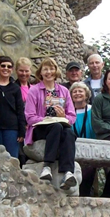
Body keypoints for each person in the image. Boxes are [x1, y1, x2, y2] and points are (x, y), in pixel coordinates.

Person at [25, 57, 77, 190]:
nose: (49, 72)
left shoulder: (64, 91)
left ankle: (68, 172)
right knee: (55, 126)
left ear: (56, 71)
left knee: (69, 133)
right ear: (40, 73)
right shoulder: (34, 90)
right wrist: (45, 120)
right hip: (40, 128)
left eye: (51, 68)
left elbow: (72, 116)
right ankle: (47, 167)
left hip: (60, 126)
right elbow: (29, 117)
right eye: (45, 69)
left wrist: (63, 116)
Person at [0, 57, 26, 158]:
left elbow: (20, 110)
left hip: (11, 129)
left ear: (12, 70)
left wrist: (21, 131)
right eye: (3, 66)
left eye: (9, 66)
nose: (6, 68)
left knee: (11, 159)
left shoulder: (15, 88)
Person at [70, 82, 96, 196]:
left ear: (86, 95)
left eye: (80, 91)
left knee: (88, 177)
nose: (77, 93)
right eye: (74, 91)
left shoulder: (93, 110)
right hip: (73, 149)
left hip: (91, 149)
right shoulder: (68, 112)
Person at [15, 57, 32, 166]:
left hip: (31, 128)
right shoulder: (13, 87)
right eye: (21, 71)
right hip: (18, 127)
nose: (24, 74)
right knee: (20, 155)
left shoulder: (34, 88)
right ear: (16, 71)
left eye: (26, 71)